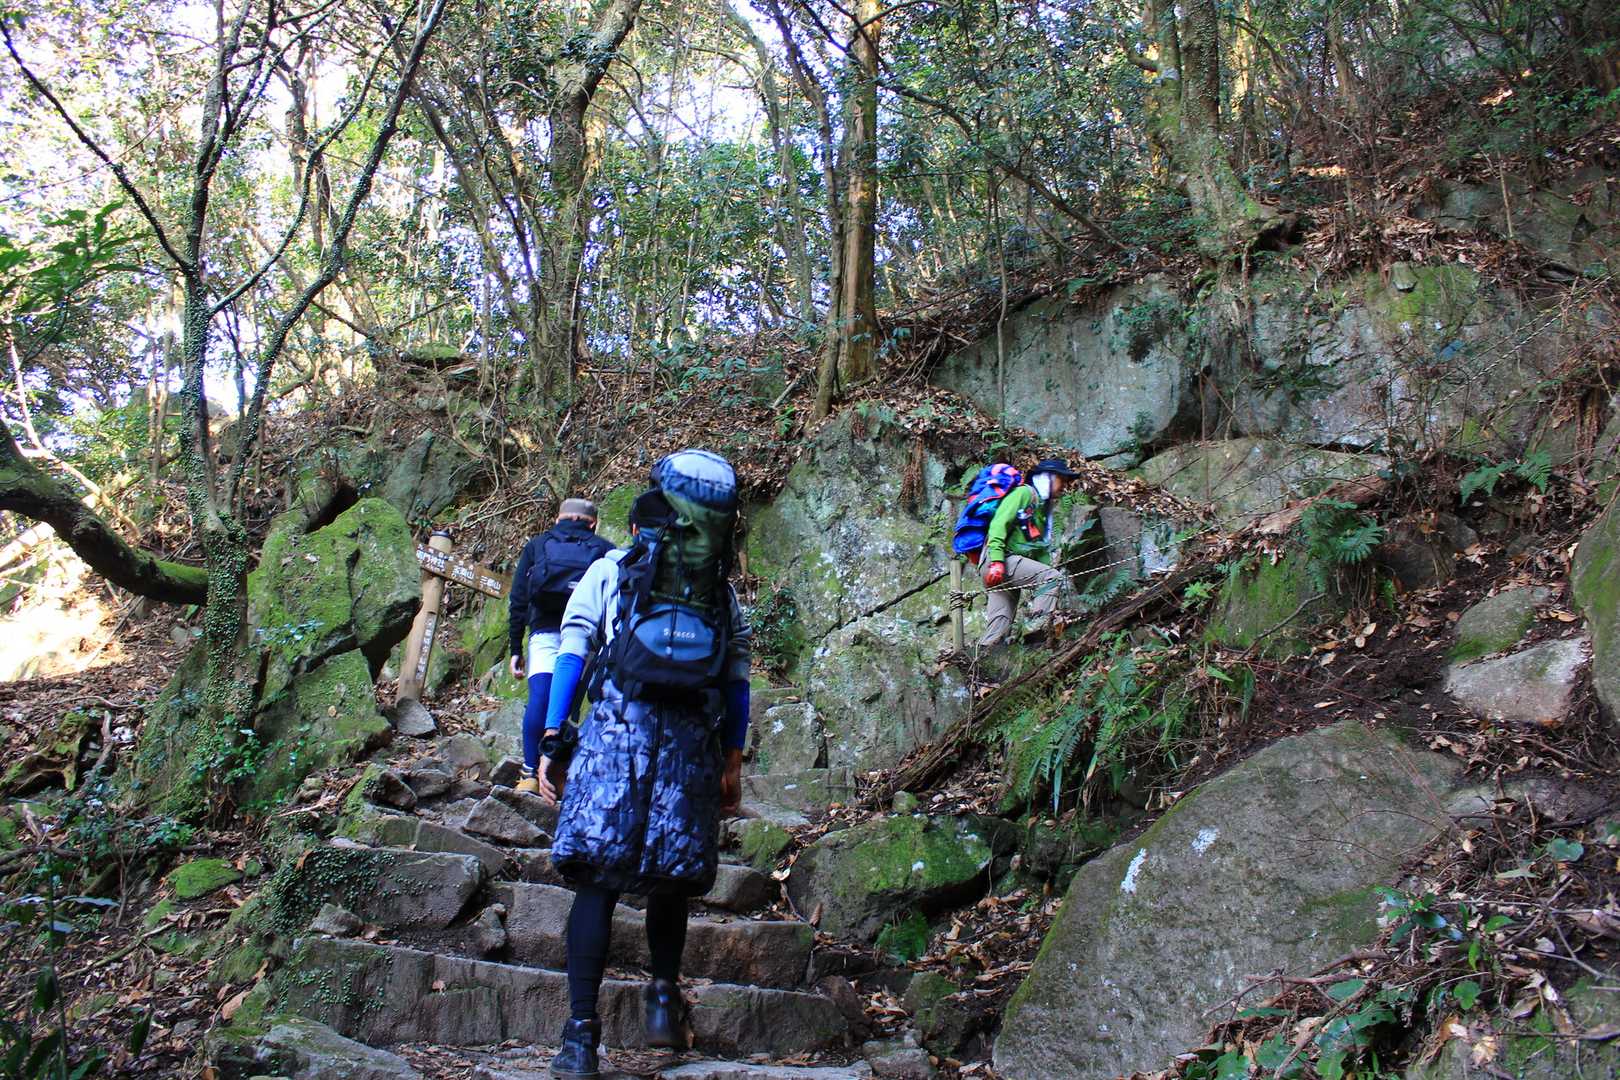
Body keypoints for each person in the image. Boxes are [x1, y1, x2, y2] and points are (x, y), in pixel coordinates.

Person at [534, 451, 751, 1079]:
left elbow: (574, 647)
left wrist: (553, 735)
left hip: (614, 739)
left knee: (597, 884)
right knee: (670, 877)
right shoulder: (717, 588)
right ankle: (661, 998)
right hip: (689, 745)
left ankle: (580, 1039)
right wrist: (732, 757)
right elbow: (736, 675)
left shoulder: (610, 569)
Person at [507, 497, 616, 797]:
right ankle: (558, 774)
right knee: (567, 706)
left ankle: (530, 773)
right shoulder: (605, 550)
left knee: (540, 698)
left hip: (544, 631)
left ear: (558, 519)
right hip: (585, 637)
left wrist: (515, 647)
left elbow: (518, 599)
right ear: (593, 524)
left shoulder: (538, 545)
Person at [978, 457, 1081, 647]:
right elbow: (998, 525)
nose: (1065, 486)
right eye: (1062, 480)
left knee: (999, 626)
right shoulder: (1024, 493)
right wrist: (997, 561)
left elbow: (1039, 549)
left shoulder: (1041, 509)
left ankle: (983, 657)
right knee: (1052, 578)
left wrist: (1045, 572)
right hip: (1000, 560)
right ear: (1048, 477)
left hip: (1000, 568)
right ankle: (1036, 630)